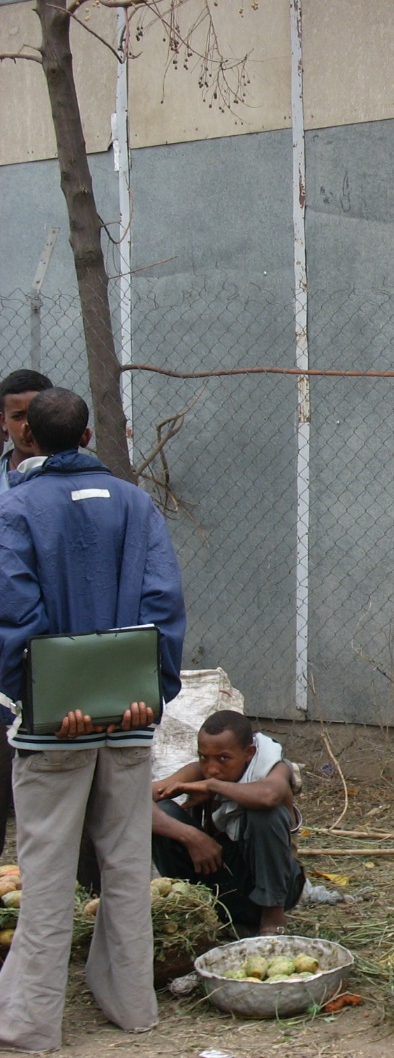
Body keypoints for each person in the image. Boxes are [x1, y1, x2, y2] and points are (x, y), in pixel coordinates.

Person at [0, 388, 185, 1052]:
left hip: (55, 726)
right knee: (127, 867)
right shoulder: (136, 504)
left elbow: (15, 614)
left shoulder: (15, 506)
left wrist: (45, 698)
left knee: (47, 876)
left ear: (30, 437)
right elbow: (161, 600)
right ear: (88, 434)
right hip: (130, 720)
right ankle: (132, 1005)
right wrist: (150, 693)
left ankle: (27, 1026)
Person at [152, 710, 305, 936]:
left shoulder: (274, 767)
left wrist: (212, 786)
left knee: (264, 813)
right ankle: (189, 908)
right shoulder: (199, 771)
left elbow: (268, 796)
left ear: (248, 753)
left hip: (271, 887)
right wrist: (193, 837)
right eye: (204, 757)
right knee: (163, 813)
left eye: (223, 758)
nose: (212, 768)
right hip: (217, 887)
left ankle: (272, 915)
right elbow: (136, 802)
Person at [0, 368, 52, 860]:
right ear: (3, 421)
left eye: (37, 415)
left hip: (56, 657)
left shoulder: (74, 486)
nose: (27, 428)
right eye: (18, 417)